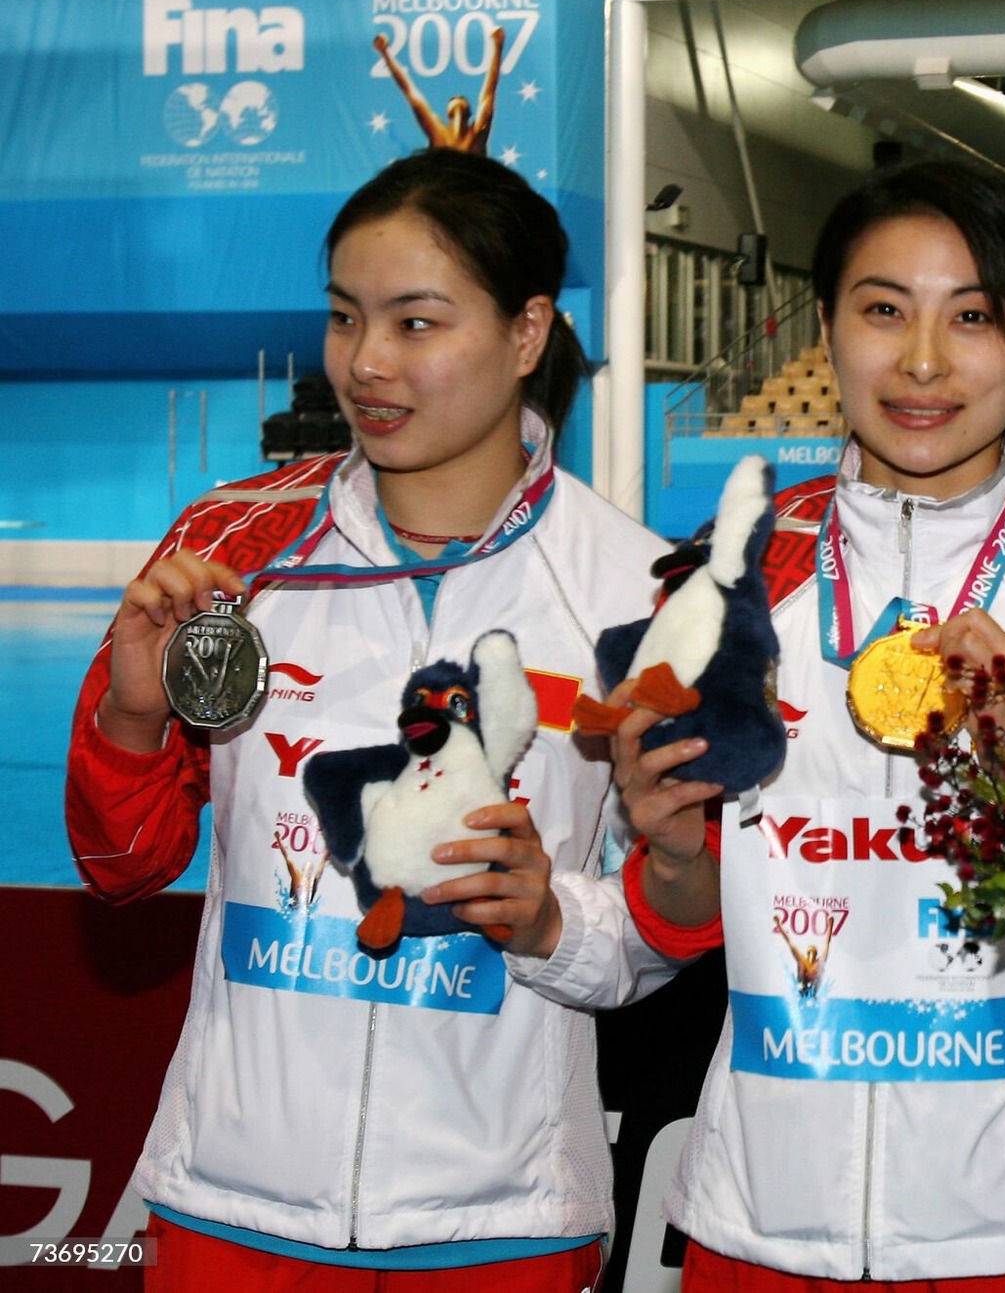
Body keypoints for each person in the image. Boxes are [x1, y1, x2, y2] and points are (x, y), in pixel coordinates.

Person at [66, 148, 678, 1289]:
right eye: (346, 319)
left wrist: (552, 918)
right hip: (230, 1210)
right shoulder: (237, 549)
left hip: (501, 1224)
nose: (366, 364)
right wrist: (132, 717)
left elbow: (670, 927)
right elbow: (122, 868)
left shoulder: (631, 594)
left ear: (528, 331)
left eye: (416, 322)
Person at [605, 161, 1005, 1288]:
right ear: (823, 331)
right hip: (761, 1237)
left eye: (971, 316)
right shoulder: (727, 584)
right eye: (882, 310)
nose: (923, 361)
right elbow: (670, 923)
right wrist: (674, 852)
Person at [375, 26, 505, 154]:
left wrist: (498, 46)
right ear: (448, 114)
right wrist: (385, 53)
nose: (457, 98)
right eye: (454, 99)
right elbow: (411, 94)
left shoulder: (476, 132)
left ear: (470, 114)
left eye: (461, 99)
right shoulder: (438, 132)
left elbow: (488, 95)